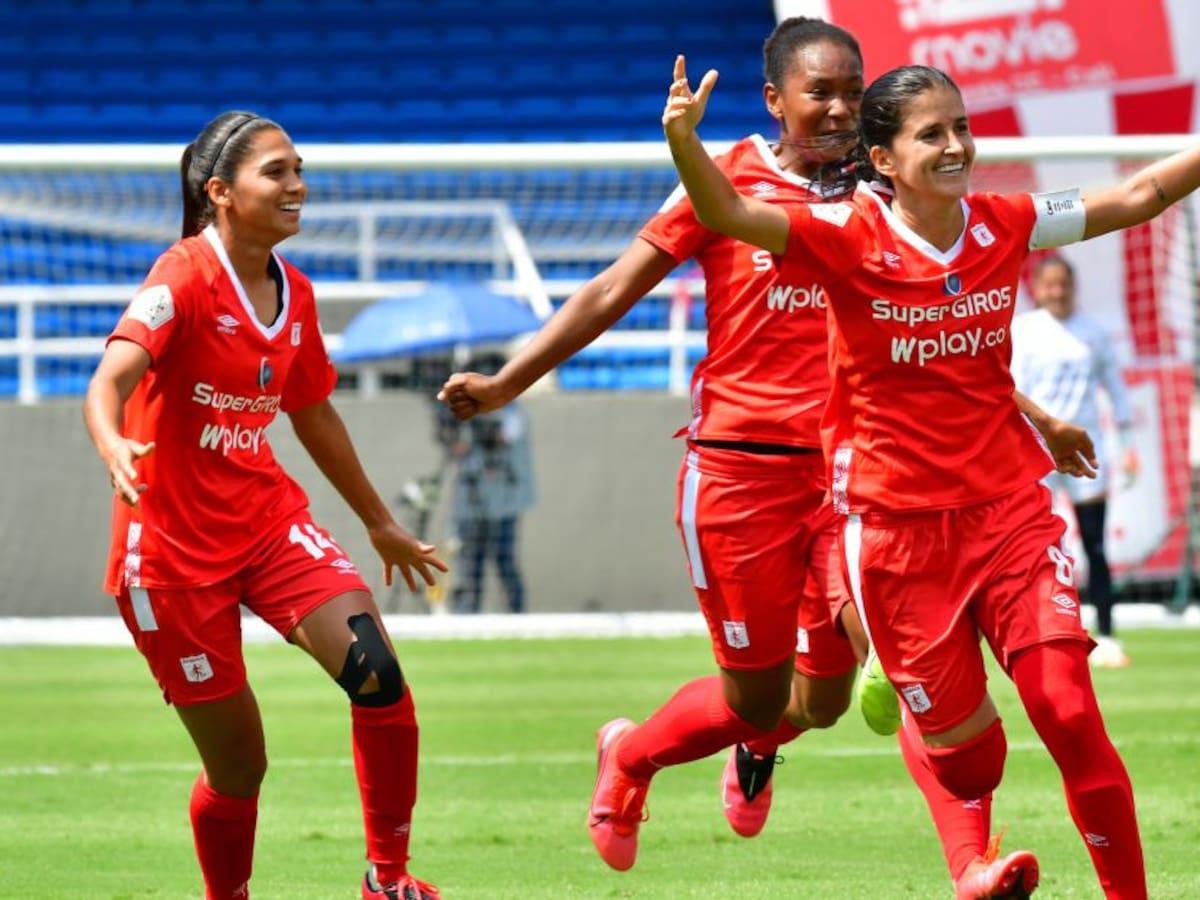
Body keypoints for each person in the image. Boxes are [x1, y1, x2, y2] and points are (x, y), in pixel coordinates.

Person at [441, 19, 1093, 896]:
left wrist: (1036, 417)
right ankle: (632, 754)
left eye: (852, 91)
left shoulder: (885, 193)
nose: (837, 109)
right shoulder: (727, 185)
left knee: (893, 664)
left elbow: (930, 335)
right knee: (766, 700)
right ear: (776, 100)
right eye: (819, 92)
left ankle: (971, 864)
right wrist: (509, 380)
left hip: (855, 478)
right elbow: (607, 289)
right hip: (739, 474)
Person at [662, 54, 1200, 900]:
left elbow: (1137, 198)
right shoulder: (845, 238)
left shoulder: (1008, 221)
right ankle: (936, 790)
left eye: (961, 128)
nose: (956, 146)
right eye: (931, 134)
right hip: (896, 538)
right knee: (970, 760)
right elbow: (726, 209)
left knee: (1068, 712)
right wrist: (684, 145)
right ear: (882, 158)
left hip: (1008, 518)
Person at [83, 111, 446, 900]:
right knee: (240, 767)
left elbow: (312, 409)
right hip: (170, 554)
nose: (297, 186)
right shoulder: (181, 277)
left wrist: (380, 521)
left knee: (377, 671)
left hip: (265, 523)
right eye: (275, 172)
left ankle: (387, 880)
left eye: (298, 169)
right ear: (220, 193)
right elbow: (108, 378)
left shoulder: (298, 292)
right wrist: (113, 442)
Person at [1013, 255, 1140, 667]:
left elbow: (1116, 389)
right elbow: (1008, 389)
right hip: (1035, 453)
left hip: (1085, 449)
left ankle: (1107, 633)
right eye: (1050, 285)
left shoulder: (1093, 333)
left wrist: (1127, 442)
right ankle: (1043, 631)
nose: (1058, 291)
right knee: (1038, 545)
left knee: (1095, 545)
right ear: (1037, 288)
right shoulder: (1023, 331)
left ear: (1072, 286)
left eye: (1064, 284)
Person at [444, 355, 536, 613]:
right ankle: (467, 617)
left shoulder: (514, 413)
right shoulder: (461, 413)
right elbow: (453, 444)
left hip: (503, 504)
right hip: (469, 504)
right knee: (470, 565)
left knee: (505, 563)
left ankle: (518, 616)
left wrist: (480, 421)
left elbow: (501, 437)